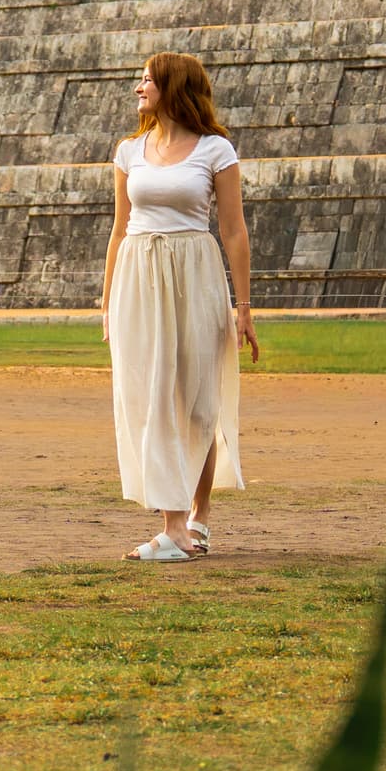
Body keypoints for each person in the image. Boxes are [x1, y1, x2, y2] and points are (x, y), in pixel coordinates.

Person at [101, 51, 257, 561]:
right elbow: (119, 228)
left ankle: (198, 517)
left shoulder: (216, 150)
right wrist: (107, 303)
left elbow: (233, 230)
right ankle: (172, 528)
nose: (137, 88)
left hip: (196, 275)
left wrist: (244, 306)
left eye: (146, 80)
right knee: (152, 398)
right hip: (139, 278)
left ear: (172, 86)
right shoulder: (129, 151)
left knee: (197, 403)